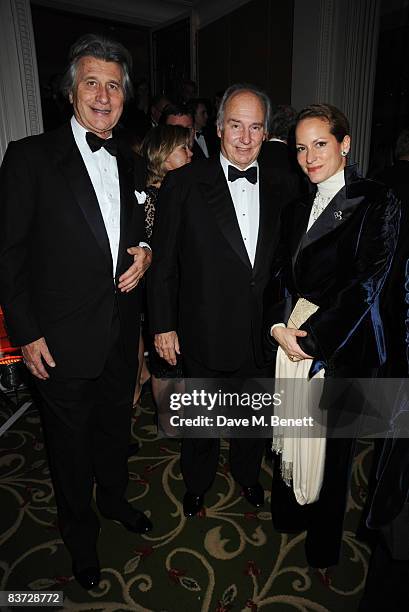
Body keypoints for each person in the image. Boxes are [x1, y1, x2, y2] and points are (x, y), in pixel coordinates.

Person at [0, 34, 153, 590]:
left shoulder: (131, 161)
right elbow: (9, 255)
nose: (104, 94)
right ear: (71, 92)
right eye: (92, 82)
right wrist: (27, 333)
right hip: (59, 340)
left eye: (114, 85)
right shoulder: (29, 157)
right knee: (68, 449)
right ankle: (80, 538)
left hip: (121, 334)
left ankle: (114, 500)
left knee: (115, 431)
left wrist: (146, 251)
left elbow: (135, 231)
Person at [268, 103, 400, 570]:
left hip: (341, 344)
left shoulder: (376, 200)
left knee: (334, 450)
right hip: (292, 335)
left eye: (320, 144)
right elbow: (281, 273)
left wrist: (313, 340)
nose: (309, 157)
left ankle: (323, 546)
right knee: (291, 426)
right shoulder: (294, 206)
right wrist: (279, 325)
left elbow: (367, 282)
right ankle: (287, 513)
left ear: (345, 144)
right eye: (301, 148)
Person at [148, 83, 283, 517]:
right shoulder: (184, 183)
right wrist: (162, 325)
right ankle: (198, 483)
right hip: (202, 327)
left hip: (263, 330)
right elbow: (164, 263)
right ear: (219, 127)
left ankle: (247, 475)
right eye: (236, 126)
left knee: (252, 418)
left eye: (255, 127)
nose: (245, 138)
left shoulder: (284, 183)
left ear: (266, 133)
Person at [139, 125, 192, 401]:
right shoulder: (150, 199)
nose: (191, 153)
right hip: (163, 298)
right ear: (163, 155)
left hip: (188, 295)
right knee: (168, 363)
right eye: (184, 148)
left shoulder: (185, 191)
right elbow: (157, 260)